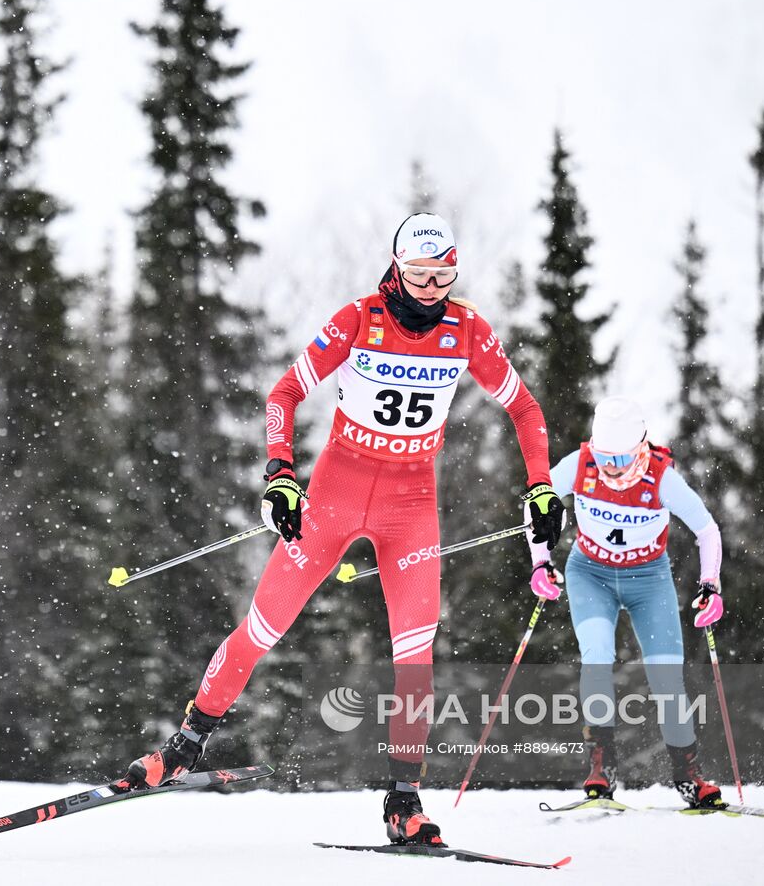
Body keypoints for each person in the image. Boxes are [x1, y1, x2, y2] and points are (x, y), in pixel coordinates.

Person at [114, 212, 565, 846]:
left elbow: (524, 406)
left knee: (416, 657)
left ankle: (404, 799)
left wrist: (541, 482)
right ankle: (187, 744)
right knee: (263, 628)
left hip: (412, 505)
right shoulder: (359, 319)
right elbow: (283, 394)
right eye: (418, 274)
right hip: (336, 491)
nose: (432, 287)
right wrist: (280, 474)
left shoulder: (467, 330)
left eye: (443, 275)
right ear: (396, 268)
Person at [526, 395, 726, 808]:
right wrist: (540, 564)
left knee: (667, 678)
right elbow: (536, 507)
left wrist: (711, 585)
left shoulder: (661, 476)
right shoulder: (578, 466)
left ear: (641, 447)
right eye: (604, 456)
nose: (612, 467)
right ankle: (602, 765)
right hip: (591, 575)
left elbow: (707, 531)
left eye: (622, 457)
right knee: (596, 656)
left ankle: (689, 776)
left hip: (648, 581)